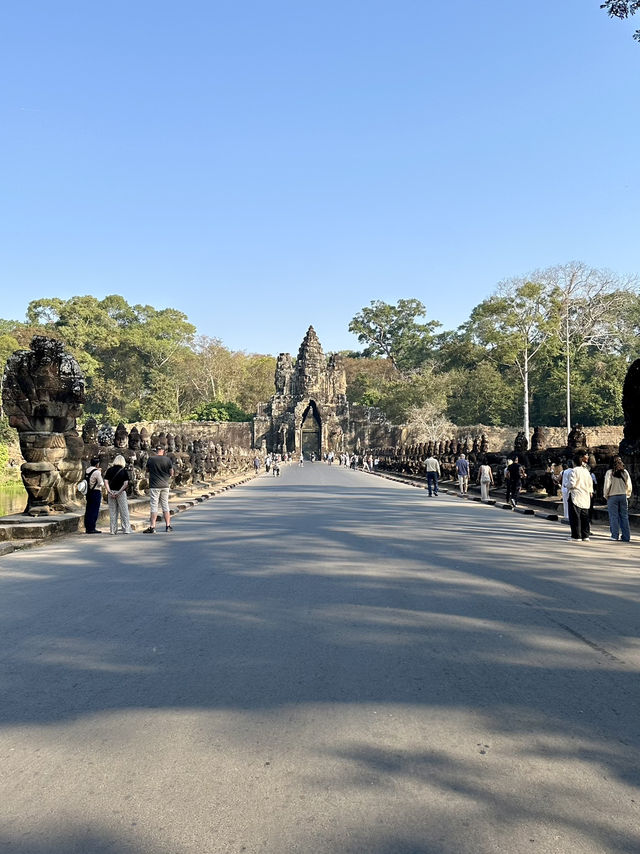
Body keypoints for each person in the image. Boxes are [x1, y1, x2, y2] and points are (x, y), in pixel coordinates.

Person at [144, 446, 175, 533]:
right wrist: (167, 477)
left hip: (154, 485)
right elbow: (171, 472)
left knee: (154, 505)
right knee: (165, 505)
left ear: (156, 451)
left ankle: (152, 526)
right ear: (163, 451)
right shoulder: (167, 459)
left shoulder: (151, 459)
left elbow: (147, 470)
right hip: (165, 484)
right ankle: (168, 526)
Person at [603, 456, 632, 542]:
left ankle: (615, 535)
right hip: (623, 495)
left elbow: (607, 486)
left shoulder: (610, 472)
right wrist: (627, 494)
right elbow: (629, 485)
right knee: (624, 516)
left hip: (613, 496)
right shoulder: (625, 472)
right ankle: (626, 536)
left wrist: (606, 495)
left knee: (613, 516)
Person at [567, 451, 594, 542]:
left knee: (575, 517)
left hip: (576, 495)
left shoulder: (574, 471)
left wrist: (566, 485)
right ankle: (585, 535)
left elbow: (572, 483)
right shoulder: (586, 471)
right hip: (585, 496)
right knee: (585, 517)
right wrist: (590, 492)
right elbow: (590, 484)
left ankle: (576, 536)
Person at [104, 454, 132, 534]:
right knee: (124, 511)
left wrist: (109, 491)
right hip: (121, 493)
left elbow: (106, 481)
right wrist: (119, 492)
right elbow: (126, 483)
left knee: (113, 512)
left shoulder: (109, 470)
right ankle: (126, 528)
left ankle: (113, 530)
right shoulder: (123, 471)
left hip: (111, 492)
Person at [83, 456, 104, 534]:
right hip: (95, 492)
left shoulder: (87, 470)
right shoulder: (97, 472)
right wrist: (100, 473)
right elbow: (101, 483)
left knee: (88, 509)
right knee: (94, 510)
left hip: (88, 492)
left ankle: (88, 527)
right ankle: (92, 527)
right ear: (97, 464)